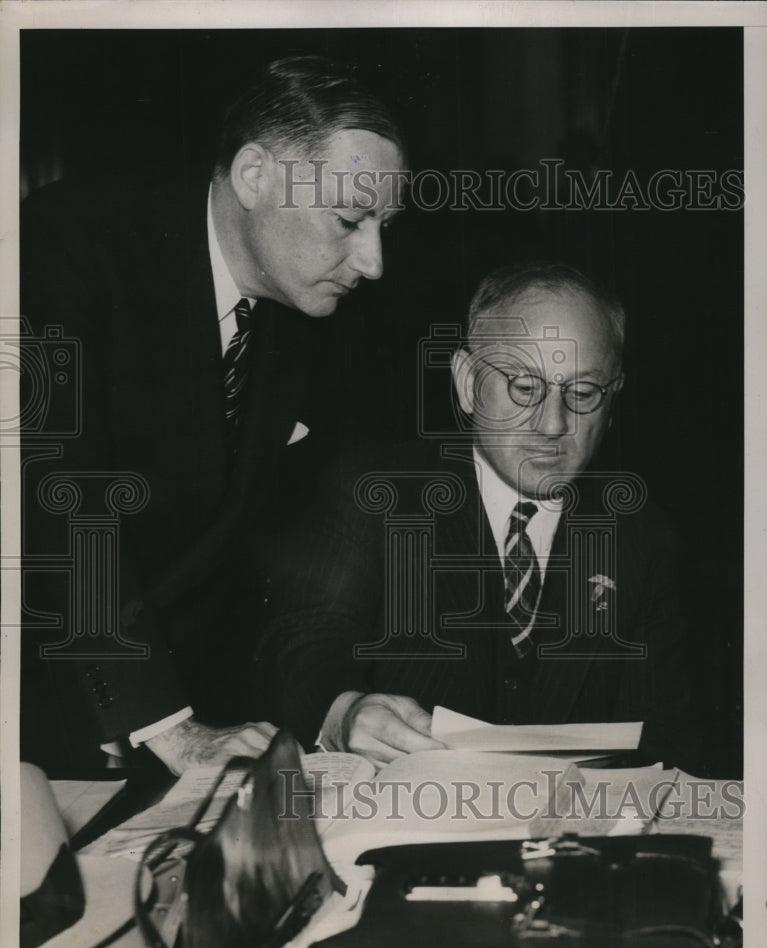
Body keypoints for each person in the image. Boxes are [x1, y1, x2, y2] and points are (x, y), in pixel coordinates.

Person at [20, 56, 406, 775]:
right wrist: (166, 727)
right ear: (254, 176)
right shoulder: (60, 250)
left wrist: (335, 707)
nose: (374, 260)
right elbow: (54, 502)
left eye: (384, 224)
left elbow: (281, 561)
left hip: (179, 711)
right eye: (350, 219)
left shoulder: (303, 310)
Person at [258, 261, 699, 771]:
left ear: (614, 398)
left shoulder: (641, 542)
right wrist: (342, 711)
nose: (553, 425)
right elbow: (303, 638)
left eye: (582, 393)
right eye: (523, 387)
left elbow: (664, 742)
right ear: (468, 383)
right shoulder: (376, 492)